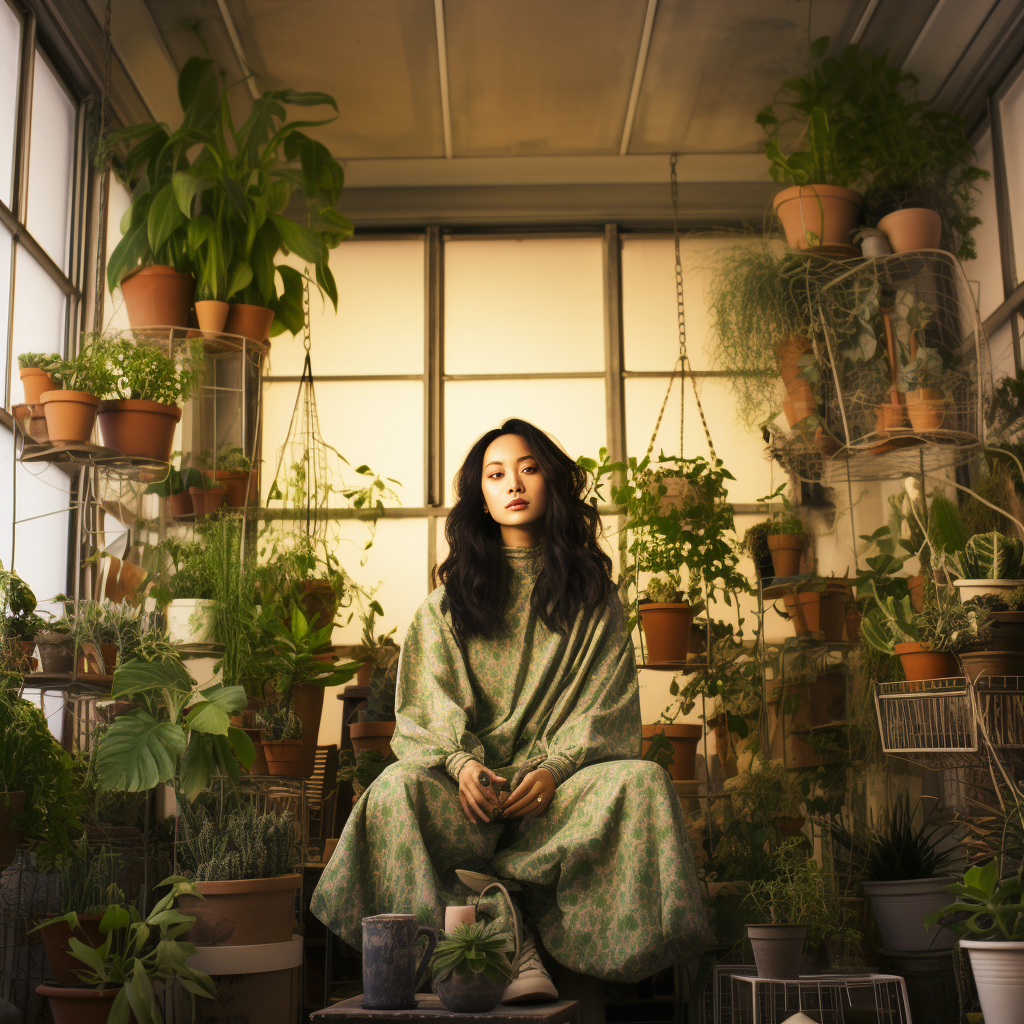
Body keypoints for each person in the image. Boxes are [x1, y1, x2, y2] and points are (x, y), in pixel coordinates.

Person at [310, 419, 707, 1000]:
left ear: (551, 483)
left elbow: (607, 708)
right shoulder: (443, 608)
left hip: (557, 798)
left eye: (528, 468)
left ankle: (546, 941)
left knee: (643, 781)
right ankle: (495, 939)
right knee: (394, 790)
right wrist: (460, 764)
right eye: (496, 475)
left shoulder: (594, 602)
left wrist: (554, 768)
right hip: (466, 799)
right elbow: (427, 706)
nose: (513, 484)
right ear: (481, 497)